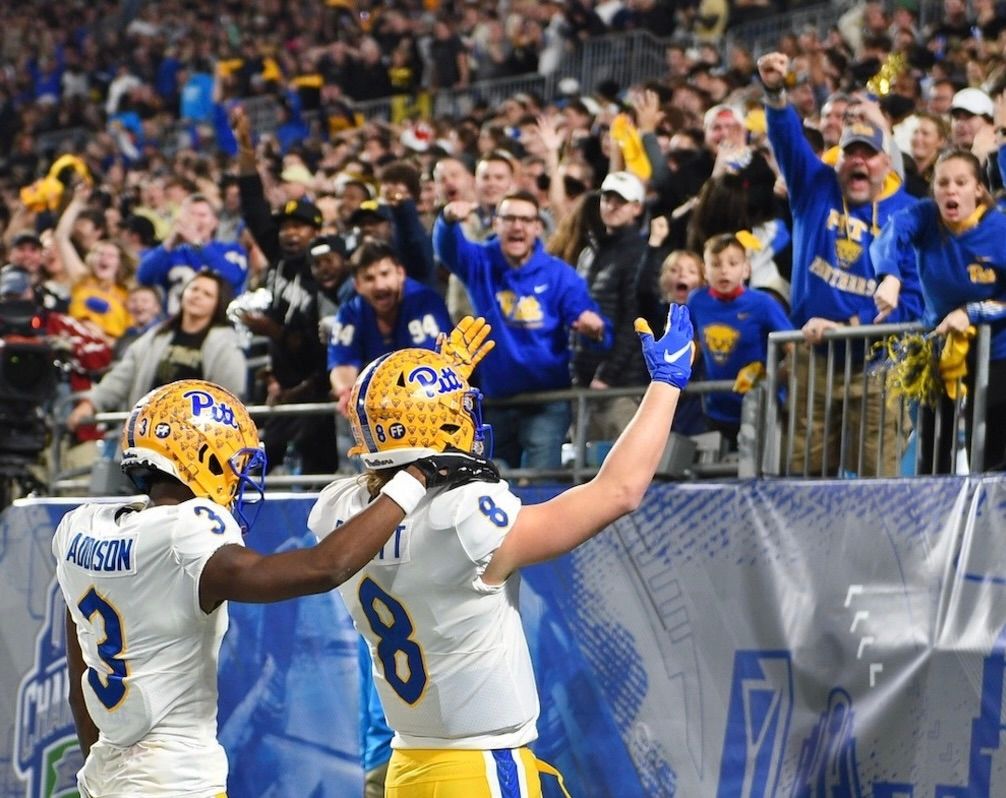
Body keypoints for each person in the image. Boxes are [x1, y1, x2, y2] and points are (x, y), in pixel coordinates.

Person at [306, 303, 694, 797]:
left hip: (408, 765)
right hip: (478, 768)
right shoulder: (464, 518)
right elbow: (618, 492)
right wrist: (667, 384)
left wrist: (426, 401)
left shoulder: (338, 512)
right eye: (454, 413)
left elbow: (391, 478)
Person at [54, 376, 498, 798]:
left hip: (103, 774)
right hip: (175, 781)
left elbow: (81, 687)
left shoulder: (79, 529)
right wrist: (415, 476)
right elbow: (324, 567)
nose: (239, 477)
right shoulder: (185, 531)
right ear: (204, 457)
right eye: (233, 462)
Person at [758, 50, 924, 476]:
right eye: (851, 152)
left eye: (869, 154)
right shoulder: (815, 188)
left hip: (878, 362)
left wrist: (854, 326)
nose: (859, 161)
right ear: (839, 158)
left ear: (887, 162)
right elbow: (788, 141)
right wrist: (776, 92)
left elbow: (916, 301)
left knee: (877, 477)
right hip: (813, 357)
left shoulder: (910, 214)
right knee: (804, 476)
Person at [433, 189, 609, 470]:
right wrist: (447, 219)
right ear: (496, 223)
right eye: (510, 218)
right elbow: (448, 250)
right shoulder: (481, 262)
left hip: (548, 401)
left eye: (526, 220)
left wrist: (596, 331)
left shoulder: (559, 274)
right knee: (494, 480)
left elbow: (596, 330)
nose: (518, 226)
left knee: (541, 482)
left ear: (538, 227)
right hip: (497, 399)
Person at [871, 149, 1006, 472]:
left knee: (991, 453)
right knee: (931, 453)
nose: (951, 190)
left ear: (978, 188)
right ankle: (934, 518)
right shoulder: (924, 216)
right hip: (936, 346)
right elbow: (891, 235)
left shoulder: (1000, 229)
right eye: (943, 183)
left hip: (997, 353)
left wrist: (972, 312)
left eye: (961, 182)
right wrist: (889, 276)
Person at [66, 270, 247, 433]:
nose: (197, 296)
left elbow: (230, 397)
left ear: (218, 303)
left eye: (207, 294)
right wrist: (92, 403)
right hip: (147, 433)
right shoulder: (157, 336)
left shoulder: (225, 344)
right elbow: (122, 376)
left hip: (194, 439)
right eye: (194, 289)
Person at [687, 234, 793, 449]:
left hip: (760, 406)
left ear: (746, 269)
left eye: (733, 263)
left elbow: (795, 349)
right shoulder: (696, 301)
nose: (724, 270)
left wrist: (771, 377)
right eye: (715, 264)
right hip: (715, 408)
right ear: (705, 271)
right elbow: (692, 344)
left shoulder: (763, 303)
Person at [328, 240, 452, 414]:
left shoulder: (424, 302)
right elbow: (343, 363)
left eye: (385, 274)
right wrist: (347, 392)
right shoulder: (351, 311)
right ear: (357, 285)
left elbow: (430, 365)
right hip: (381, 411)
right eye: (369, 278)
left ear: (400, 273)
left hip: (433, 407)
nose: (380, 285)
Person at [136, 192, 249, 314]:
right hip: (175, 323)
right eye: (190, 214)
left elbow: (234, 279)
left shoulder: (231, 250)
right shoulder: (170, 252)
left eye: (202, 215)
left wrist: (198, 244)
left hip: (219, 325)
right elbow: (143, 278)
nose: (195, 220)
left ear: (215, 222)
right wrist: (169, 244)